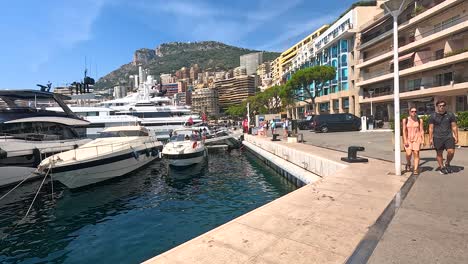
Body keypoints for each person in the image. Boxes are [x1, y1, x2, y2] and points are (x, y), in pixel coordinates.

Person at [429, 100, 459, 174]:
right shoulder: (433, 116)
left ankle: (447, 163)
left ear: (445, 106)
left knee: (451, 152)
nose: (442, 107)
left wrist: (456, 136)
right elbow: (431, 128)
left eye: (443, 105)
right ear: (437, 106)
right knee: (439, 153)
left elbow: (454, 126)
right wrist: (430, 139)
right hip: (437, 137)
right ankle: (442, 167)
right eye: (440, 106)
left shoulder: (450, 115)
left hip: (448, 136)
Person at [402, 107, 424, 175]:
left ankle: (415, 169)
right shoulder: (405, 120)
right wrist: (405, 140)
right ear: (409, 112)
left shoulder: (419, 120)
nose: (414, 113)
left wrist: (423, 139)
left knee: (416, 153)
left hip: (417, 138)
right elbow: (403, 130)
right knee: (408, 154)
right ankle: (408, 163)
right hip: (408, 139)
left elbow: (421, 130)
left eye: (415, 111)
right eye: (412, 111)